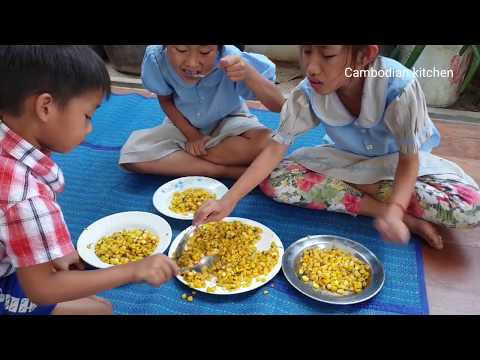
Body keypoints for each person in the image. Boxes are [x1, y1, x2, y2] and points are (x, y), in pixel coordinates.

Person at [195, 45, 480, 250]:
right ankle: (383, 209)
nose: (312, 67)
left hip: (396, 166)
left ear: (365, 55)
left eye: (328, 54)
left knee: (469, 208)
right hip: (346, 160)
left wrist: (396, 204)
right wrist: (228, 201)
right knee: (277, 181)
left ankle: (384, 200)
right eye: (306, 51)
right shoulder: (308, 91)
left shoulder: (399, 87)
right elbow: (275, 148)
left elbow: (409, 159)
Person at [0, 45, 178, 315]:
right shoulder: (27, 198)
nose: (90, 128)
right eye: (87, 116)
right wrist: (134, 270)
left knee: (87, 293)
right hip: (9, 279)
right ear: (45, 107)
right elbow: (42, 290)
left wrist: (55, 253)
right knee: (100, 309)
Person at [119, 45, 285, 179]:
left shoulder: (233, 58)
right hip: (182, 123)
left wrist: (249, 74)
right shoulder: (157, 58)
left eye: (205, 51)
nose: (192, 63)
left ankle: (187, 160)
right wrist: (192, 136)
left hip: (230, 119)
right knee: (130, 156)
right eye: (181, 50)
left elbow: (279, 106)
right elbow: (166, 100)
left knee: (268, 142)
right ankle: (223, 171)